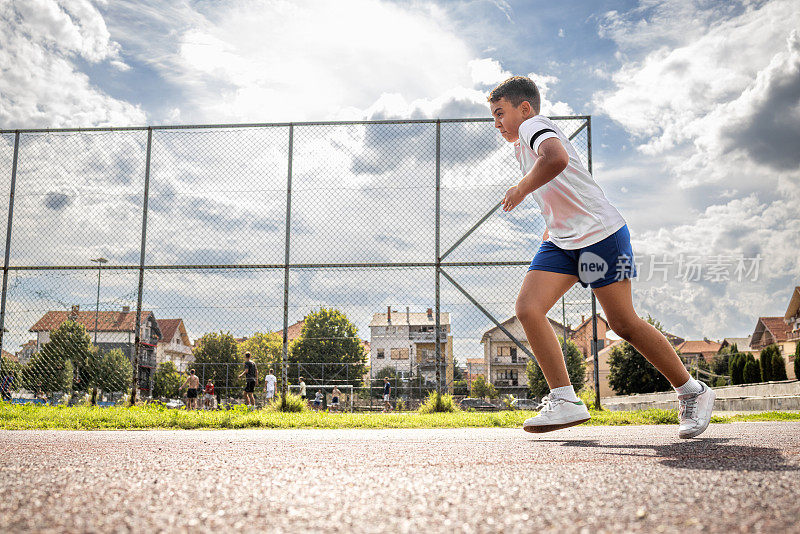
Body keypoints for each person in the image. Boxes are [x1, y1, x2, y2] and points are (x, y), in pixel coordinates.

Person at [488, 76, 714, 438]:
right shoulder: (523, 145)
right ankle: (565, 400)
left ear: (524, 108)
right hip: (564, 241)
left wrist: (520, 188)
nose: (496, 123)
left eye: (500, 113)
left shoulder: (535, 125)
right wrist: (553, 223)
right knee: (528, 309)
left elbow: (556, 159)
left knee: (622, 324)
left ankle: (693, 392)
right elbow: (563, 184)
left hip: (600, 236)